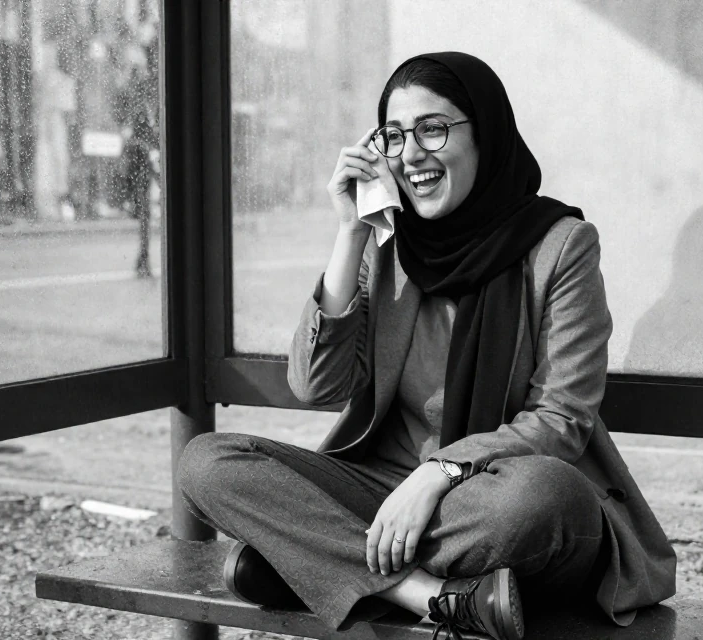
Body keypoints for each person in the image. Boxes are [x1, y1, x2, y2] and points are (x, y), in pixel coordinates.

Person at [179, 52, 676, 640]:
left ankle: (312, 563)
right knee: (206, 463)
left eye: (433, 129)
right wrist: (350, 230)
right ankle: (435, 596)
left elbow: (561, 421)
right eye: (394, 136)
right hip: (383, 495)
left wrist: (439, 472)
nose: (411, 153)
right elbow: (317, 385)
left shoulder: (561, 247)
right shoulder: (386, 243)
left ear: (484, 136)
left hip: (492, 500)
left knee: (545, 495)